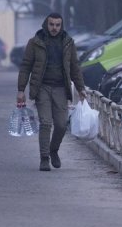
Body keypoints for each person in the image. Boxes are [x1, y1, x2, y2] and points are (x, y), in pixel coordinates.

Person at [17, 13, 86, 172]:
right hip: (42, 88)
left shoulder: (68, 43)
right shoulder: (35, 43)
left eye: (57, 25)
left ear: (61, 26)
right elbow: (26, 66)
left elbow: (74, 66)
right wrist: (21, 90)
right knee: (46, 122)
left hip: (61, 88)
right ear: (46, 25)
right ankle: (44, 158)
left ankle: (53, 150)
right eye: (51, 24)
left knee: (61, 125)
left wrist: (81, 88)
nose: (54, 28)